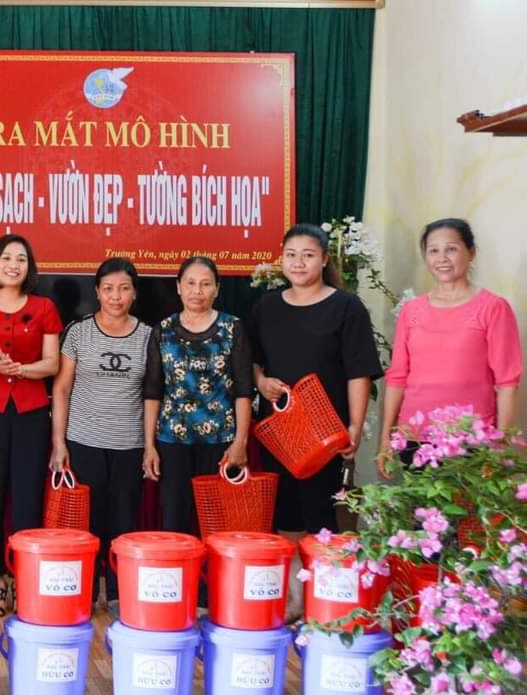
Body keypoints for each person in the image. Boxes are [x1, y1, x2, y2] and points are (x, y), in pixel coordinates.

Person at [249, 223, 383, 618]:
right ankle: (293, 599)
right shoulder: (266, 307)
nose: (298, 262)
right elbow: (252, 359)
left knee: (321, 517)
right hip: (280, 433)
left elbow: (358, 372)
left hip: (326, 435)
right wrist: (261, 382)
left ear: (324, 259)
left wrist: (354, 426)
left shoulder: (346, 307)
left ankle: (324, 601)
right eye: (290, 255)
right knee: (285, 516)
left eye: (307, 255)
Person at [0, 235, 61, 615]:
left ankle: (25, 578)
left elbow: (52, 364)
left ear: (29, 267)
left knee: (27, 497)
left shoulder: (44, 307)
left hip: (30, 412)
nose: (13, 265)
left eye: (21, 259)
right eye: (6, 258)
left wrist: (21, 369)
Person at [51, 258, 154, 616]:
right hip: (83, 441)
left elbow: (151, 394)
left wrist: (149, 446)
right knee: (86, 523)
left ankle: (117, 593)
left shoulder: (148, 336)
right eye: (108, 289)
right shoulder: (79, 333)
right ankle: (84, 590)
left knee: (123, 523)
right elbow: (61, 389)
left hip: (129, 444)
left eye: (124, 289)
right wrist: (59, 443)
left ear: (134, 293)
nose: (116, 296)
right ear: (96, 292)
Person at [380, 219, 521, 475]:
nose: (442, 258)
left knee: (466, 503)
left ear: (471, 253)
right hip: (415, 438)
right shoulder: (412, 310)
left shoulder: (493, 308)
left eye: (451, 249)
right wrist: (386, 438)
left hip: (471, 439)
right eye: (433, 250)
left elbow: (507, 382)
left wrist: (499, 446)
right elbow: (397, 377)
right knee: (416, 502)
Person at [142, 256, 253, 535]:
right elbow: (153, 391)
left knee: (216, 524)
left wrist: (240, 442)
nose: (197, 291)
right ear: (179, 287)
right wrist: (149, 446)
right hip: (172, 439)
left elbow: (243, 390)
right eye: (190, 283)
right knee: (174, 521)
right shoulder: (163, 331)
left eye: (205, 284)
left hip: (220, 440)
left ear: (217, 288)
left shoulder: (232, 328)